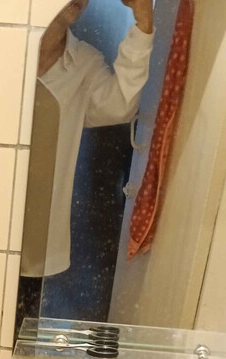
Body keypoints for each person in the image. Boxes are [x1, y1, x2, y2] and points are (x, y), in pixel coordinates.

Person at [38, 0, 155, 277]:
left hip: (39, 224)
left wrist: (143, 25)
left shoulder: (83, 63)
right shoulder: (0, 44)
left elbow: (120, 105)